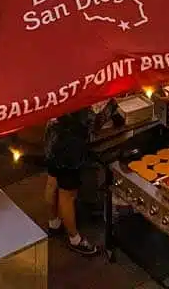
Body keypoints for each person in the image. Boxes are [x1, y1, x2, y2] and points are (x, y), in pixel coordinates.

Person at [43, 108, 99, 256]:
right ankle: (74, 238)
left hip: (53, 133)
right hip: (68, 144)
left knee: (52, 181)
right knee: (67, 194)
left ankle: (54, 223)